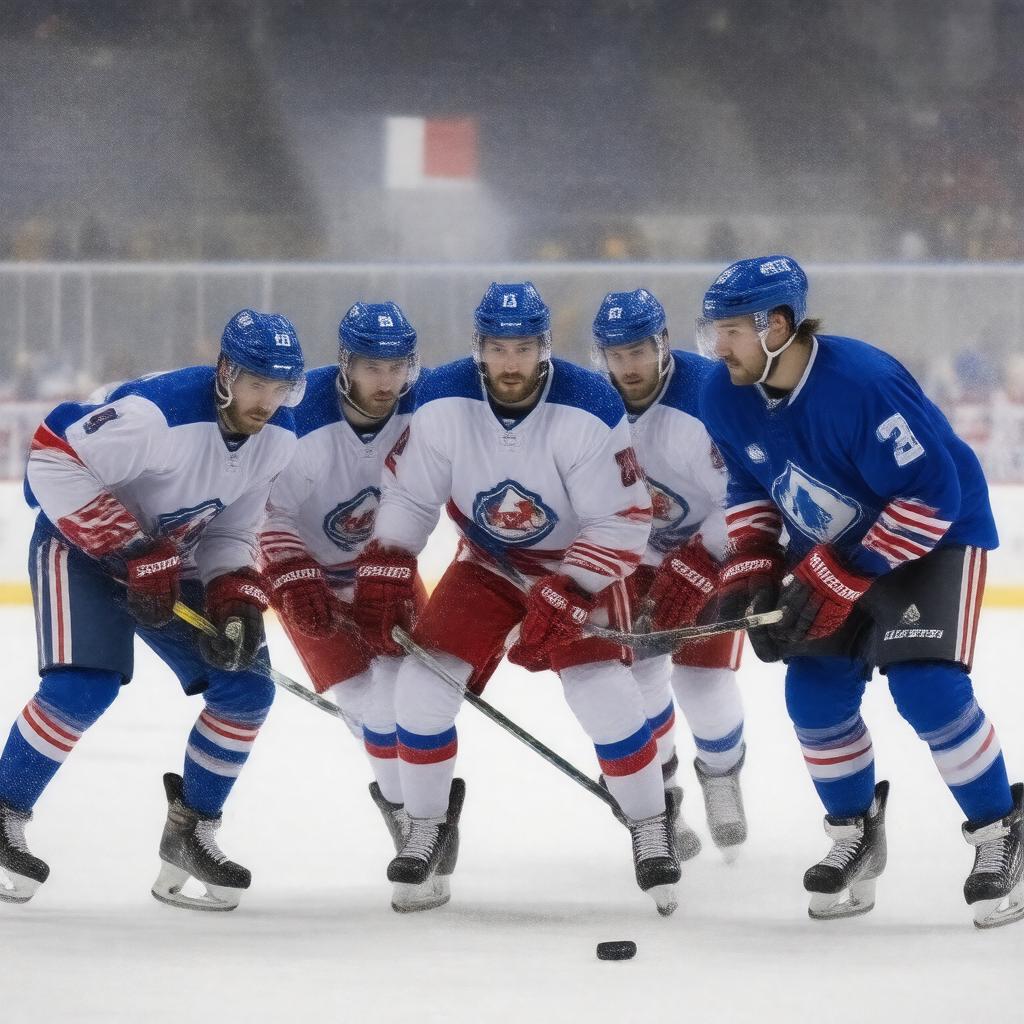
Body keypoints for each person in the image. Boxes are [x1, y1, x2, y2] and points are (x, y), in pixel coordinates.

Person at [697, 254, 1023, 929]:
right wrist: (753, 564)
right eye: (714, 330)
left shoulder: (863, 383)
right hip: (834, 549)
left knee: (927, 689)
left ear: (778, 324)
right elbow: (750, 485)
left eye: (730, 330)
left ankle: (1001, 833)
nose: (715, 346)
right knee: (813, 696)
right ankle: (855, 834)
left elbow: (936, 494)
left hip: (935, 535)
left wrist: (844, 574)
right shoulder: (723, 394)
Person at [353, 281, 681, 914]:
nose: (511, 363)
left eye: (524, 348)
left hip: (577, 565)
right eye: (499, 348)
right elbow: (414, 494)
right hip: (489, 562)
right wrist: (388, 562)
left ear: (544, 348)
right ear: (479, 347)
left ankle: (649, 823)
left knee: (603, 695)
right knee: (423, 688)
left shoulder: (588, 403)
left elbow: (624, 519)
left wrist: (571, 589)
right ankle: (426, 826)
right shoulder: (442, 399)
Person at [0, 309, 305, 912]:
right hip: (80, 550)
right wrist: (131, 547)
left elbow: (233, 528)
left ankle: (192, 831)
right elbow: (50, 462)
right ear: (226, 371)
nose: (266, 400)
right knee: (82, 688)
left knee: (246, 690)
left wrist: (234, 596)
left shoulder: (279, 437)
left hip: (172, 560)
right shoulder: (157, 416)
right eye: (255, 383)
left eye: (279, 386)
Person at [260, 301, 462, 912]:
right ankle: (413, 826)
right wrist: (291, 572)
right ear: (345, 363)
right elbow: (265, 510)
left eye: (397, 366)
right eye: (372, 365)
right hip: (306, 575)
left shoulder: (425, 409)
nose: (385, 381)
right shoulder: (298, 417)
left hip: (387, 568)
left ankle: (426, 819)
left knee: (415, 698)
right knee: (370, 704)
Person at [592, 288, 747, 863]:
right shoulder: (592, 405)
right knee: (636, 677)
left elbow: (742, 494)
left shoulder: (709, 395)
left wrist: (706, 559)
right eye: (616, 353)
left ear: (662, 343)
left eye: (638, 350)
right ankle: (662, 793)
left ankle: (722, 773)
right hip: (631, 558)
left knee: (702, 683)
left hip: (711, 550)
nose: (628, 366)